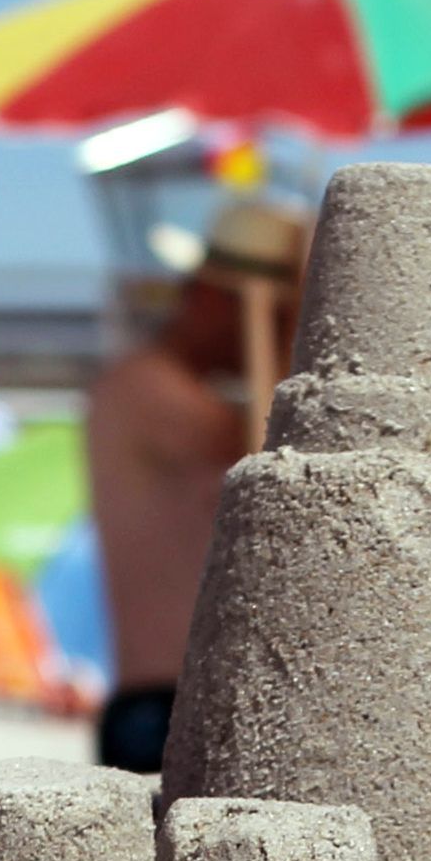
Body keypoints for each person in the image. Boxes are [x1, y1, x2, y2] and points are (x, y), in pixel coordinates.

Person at [83, 193, 311, 776]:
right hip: (163, 699)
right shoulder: (151, 393)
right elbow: (285, 472)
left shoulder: (143, 388)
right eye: (263, 317)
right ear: (213, 301)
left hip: (162, 698)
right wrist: (297, 328)